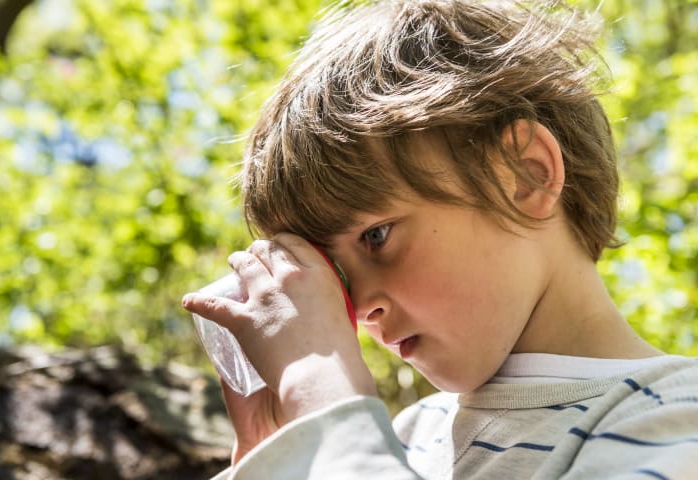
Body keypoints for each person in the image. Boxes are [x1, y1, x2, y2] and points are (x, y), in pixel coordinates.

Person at [181, 0, 698, 478]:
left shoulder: (674, 415)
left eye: (376, 236)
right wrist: (281, 452)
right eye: (335, 276)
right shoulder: (405, 436)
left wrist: (327, 404)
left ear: (526, 175)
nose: (358, 312)